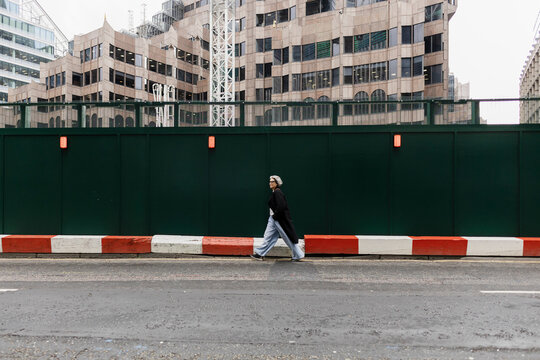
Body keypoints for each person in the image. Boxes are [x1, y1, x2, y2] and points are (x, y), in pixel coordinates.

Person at [251, 175, 305, 262]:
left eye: (272, 182)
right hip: (273, 219)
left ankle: (298, 254)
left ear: (277, 183)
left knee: (287, 237)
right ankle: (260, 254)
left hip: (278, 219)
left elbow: (281, 206)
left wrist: (275, 216)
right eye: (270, 181)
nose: (270, 183)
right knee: (268, 237)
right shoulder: (275, 192)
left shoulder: (277, 192)